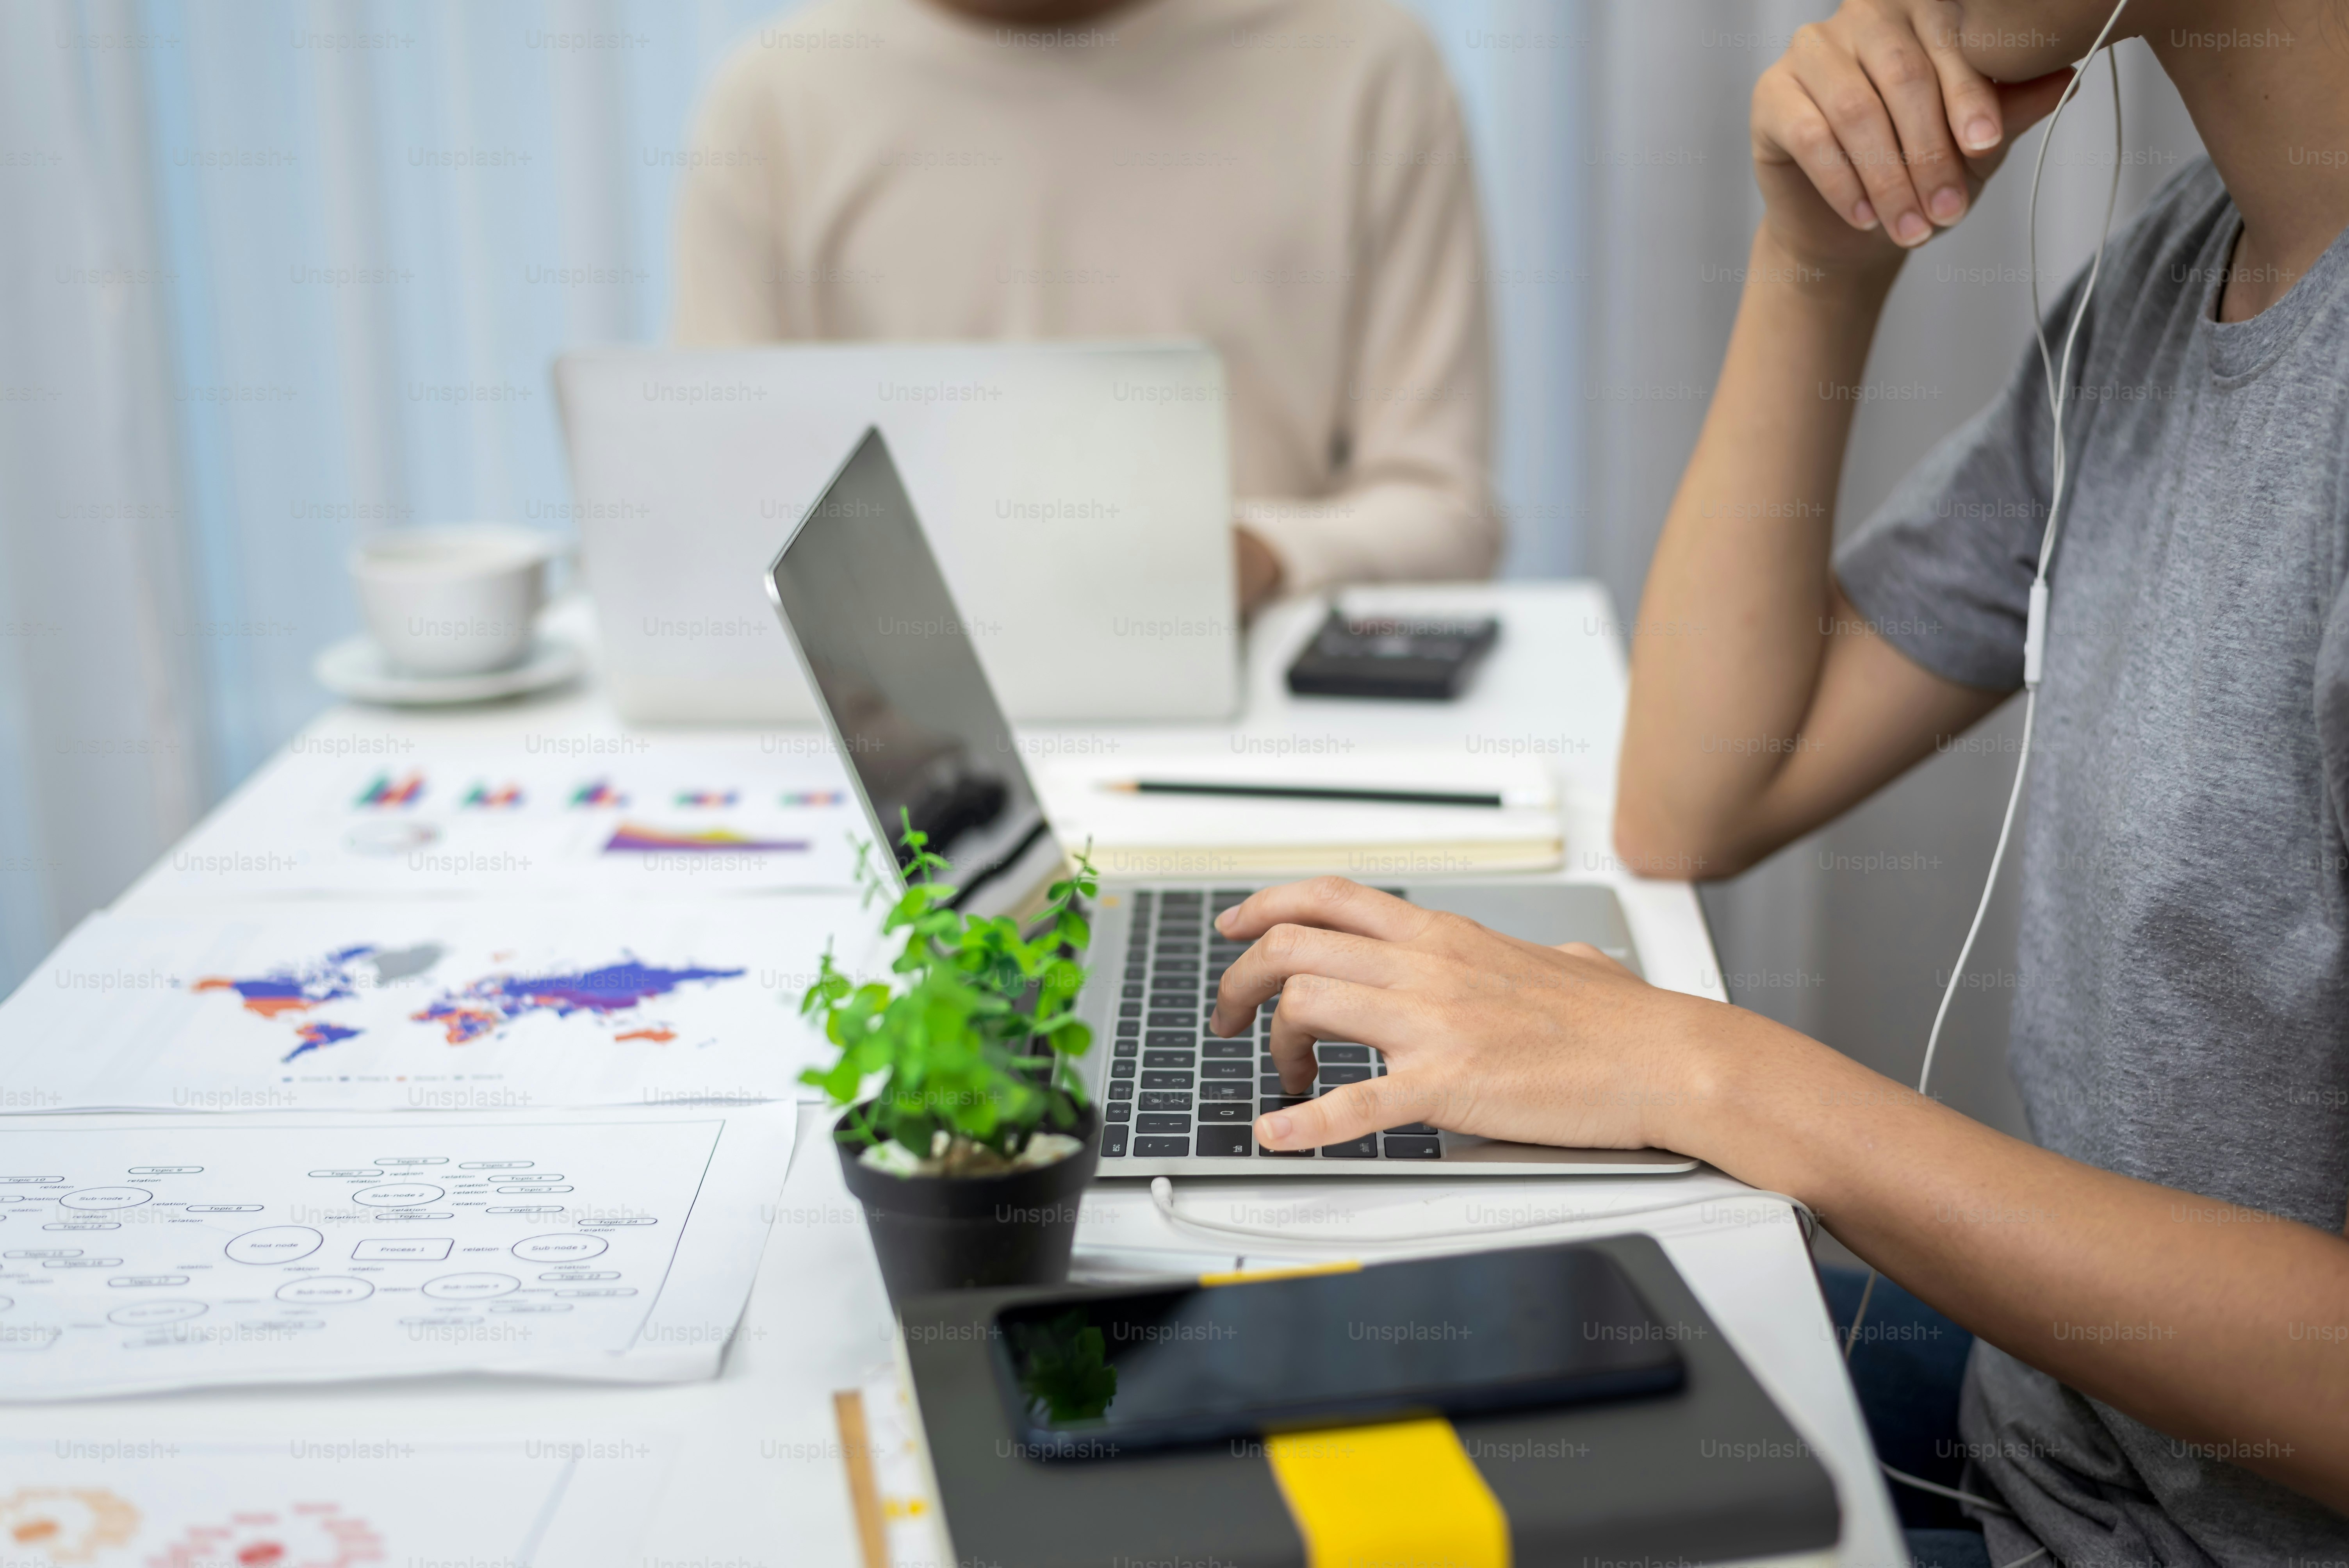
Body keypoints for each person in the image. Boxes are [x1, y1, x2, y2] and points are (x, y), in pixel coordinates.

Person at [1208, 0, 2349, 1563]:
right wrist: (1818, 262)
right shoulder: (2175, 267)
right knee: (1257, 1395)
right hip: (2054, 1431)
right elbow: (1695, 792)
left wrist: (1707, 1074)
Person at [670, 0, 1499, 614]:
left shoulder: (1367, 66)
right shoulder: (771, 104)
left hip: (1258, 713)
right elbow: (724, 518)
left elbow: (1443, 508)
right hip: (894, 735)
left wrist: (1257, 558)